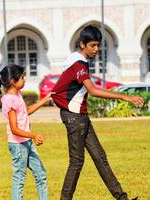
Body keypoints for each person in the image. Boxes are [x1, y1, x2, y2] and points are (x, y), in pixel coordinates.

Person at [51, 25, 143, 200]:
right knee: (77, 162)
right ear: (82, 44)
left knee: (100, 157)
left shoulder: (78, 61)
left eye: (98, 45)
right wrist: (123, 97)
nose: (96, 49)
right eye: (92, 45)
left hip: (81, 117)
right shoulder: (79, 64)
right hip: (74, 118)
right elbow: (92, 90)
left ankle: (122, 198)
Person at [0, 64, 54, 200]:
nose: (25, 80)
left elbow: (27, 111)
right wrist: (33, 135)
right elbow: (14, 129)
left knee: (41, 174)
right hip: (18, 145)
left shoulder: (17, 94)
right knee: (19, 178)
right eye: (22, 77)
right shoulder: (9, 100)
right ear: (13, 82)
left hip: (27, 142)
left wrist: (44, 100)